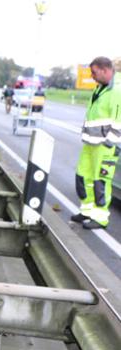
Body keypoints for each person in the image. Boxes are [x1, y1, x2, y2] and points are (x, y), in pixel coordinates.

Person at [71, 56, 120, 229]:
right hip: (91, 143)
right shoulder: (100, 88)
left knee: (101, 181)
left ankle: (100, 218)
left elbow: (119, 121)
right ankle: (87, 211)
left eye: (94, 72)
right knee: (83, 177)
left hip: (104, 146)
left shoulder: (117, 90)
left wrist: (109, 143)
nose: (91, 76)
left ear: (105, 70)